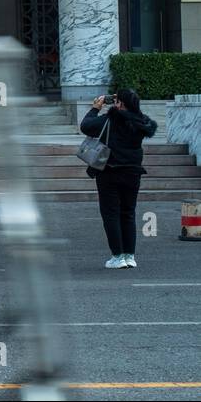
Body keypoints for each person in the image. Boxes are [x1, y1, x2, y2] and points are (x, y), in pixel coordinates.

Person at [81, 88, 157, 270]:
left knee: (111, 214)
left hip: (110, 172)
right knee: (128, 213)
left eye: (116, 100)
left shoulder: (110, 119)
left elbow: (86, 126)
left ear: (120, 103)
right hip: (133, 172)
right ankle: (130, 256)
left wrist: (95, 108)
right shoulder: (142, 122)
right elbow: (137, 116)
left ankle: (117, 257)